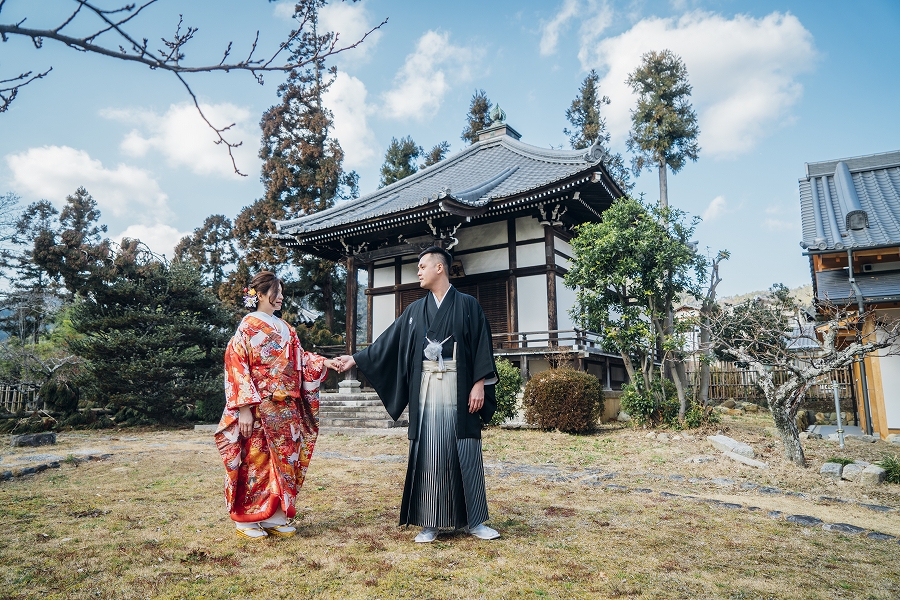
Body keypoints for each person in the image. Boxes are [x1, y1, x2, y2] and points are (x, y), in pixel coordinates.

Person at [337, 247, 500, 543]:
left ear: (440, 268)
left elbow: (481, 345)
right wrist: (357, 359)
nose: (419, 271)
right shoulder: (414, 311)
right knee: (430, 451)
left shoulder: (468, 305)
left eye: (423, 266)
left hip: (460, 386)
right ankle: (430, 522)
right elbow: (387, 343)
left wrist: (479, 383)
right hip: (426, 390)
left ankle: (475, 522)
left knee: (466, 449)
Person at [215, 271, 342, 539]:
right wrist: (245, 409)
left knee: (286, 461)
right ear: (259, 295)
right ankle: (247, 519)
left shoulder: (287, 329)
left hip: (287, 409)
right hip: (260, 407)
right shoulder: (247, 328)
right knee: (256, 461)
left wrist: (323, 362)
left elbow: (301, 359)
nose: (281, 297)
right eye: (276, 292)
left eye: (282, 292)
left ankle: (275, 516)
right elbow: (237, 365)